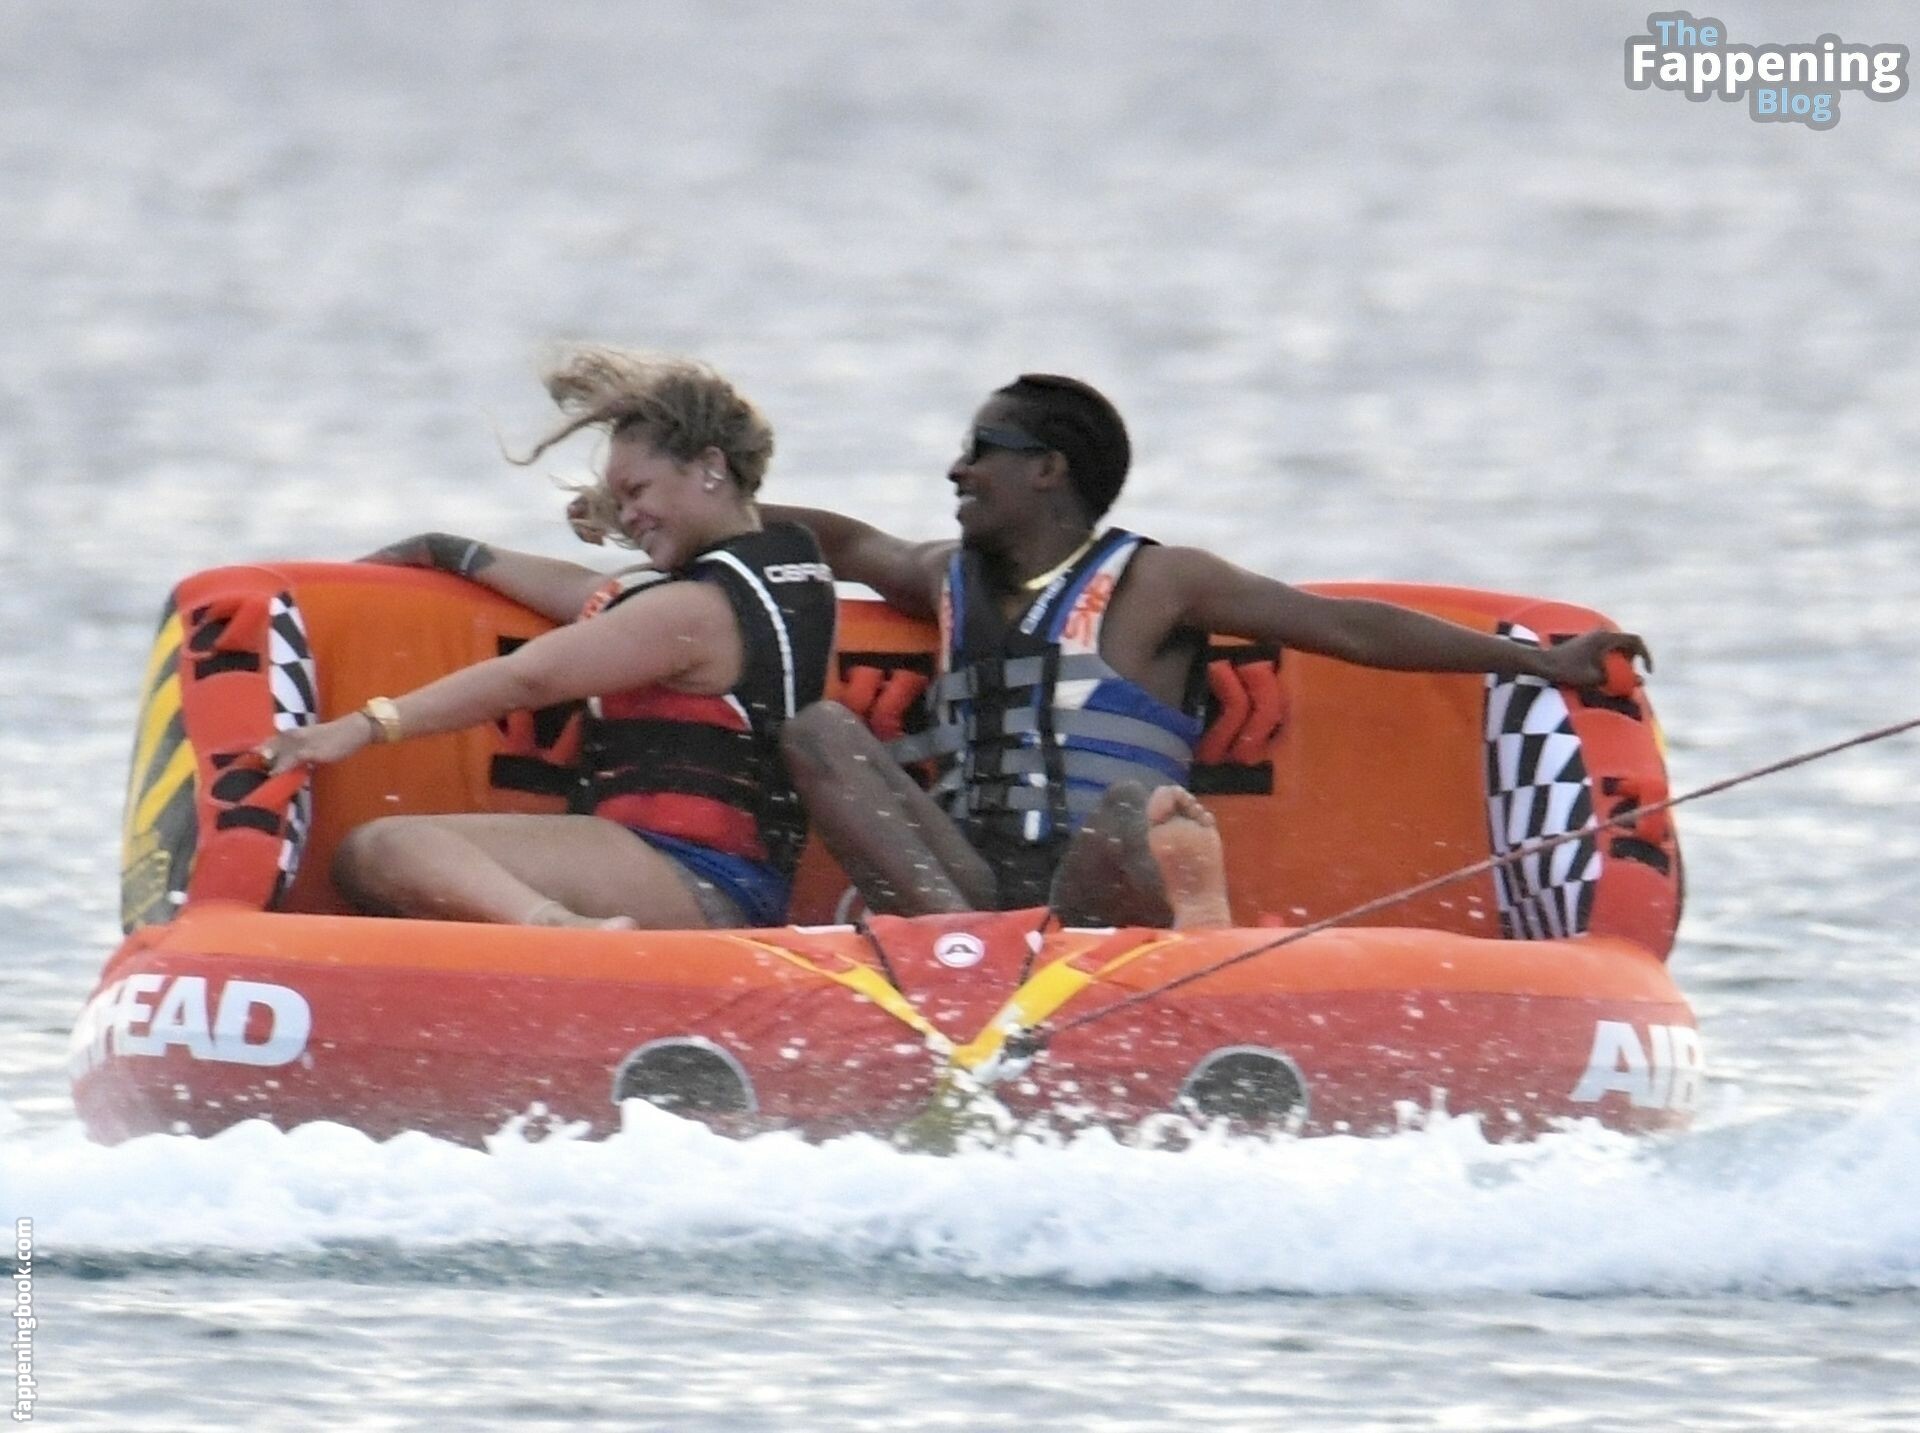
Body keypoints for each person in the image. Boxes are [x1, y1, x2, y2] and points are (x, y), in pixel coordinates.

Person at [761, 373, 1648, 931]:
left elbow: (1348, 627)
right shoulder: (944, 578)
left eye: (980, 451)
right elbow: (840, 543)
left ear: (1049, 469)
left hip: (1097, 891)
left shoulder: (1161, 582)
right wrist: (698, 509)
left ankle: (1037, 964)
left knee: (1134, 805)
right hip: (964, 884)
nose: (958, 470)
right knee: (819, 731)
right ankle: (966, 961)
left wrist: (1541, 663)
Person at [257, 346, 837, 930]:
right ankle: (561, 931)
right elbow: (590, 593)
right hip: (704, 874)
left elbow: (528, 678)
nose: (626, 516)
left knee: (383, 849)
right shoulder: (757, 581)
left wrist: (359, 727)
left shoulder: (694, 612)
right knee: (378, 854)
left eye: (637, 491)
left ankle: (563, 934)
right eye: (618, 501)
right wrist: (445, 550)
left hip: (700, 877)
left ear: (710, 467)